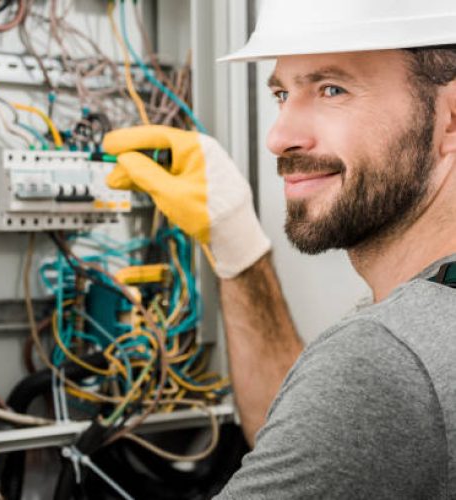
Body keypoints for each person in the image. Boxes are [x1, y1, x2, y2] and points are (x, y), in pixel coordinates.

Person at [103, 0, 456, 497]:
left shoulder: (387, 359)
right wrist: (236, 243)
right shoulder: (427, 320)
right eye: (282, 93)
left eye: (333, 89)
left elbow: (362, 401)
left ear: (451, 118)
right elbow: (308, 438)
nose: (279, 137)